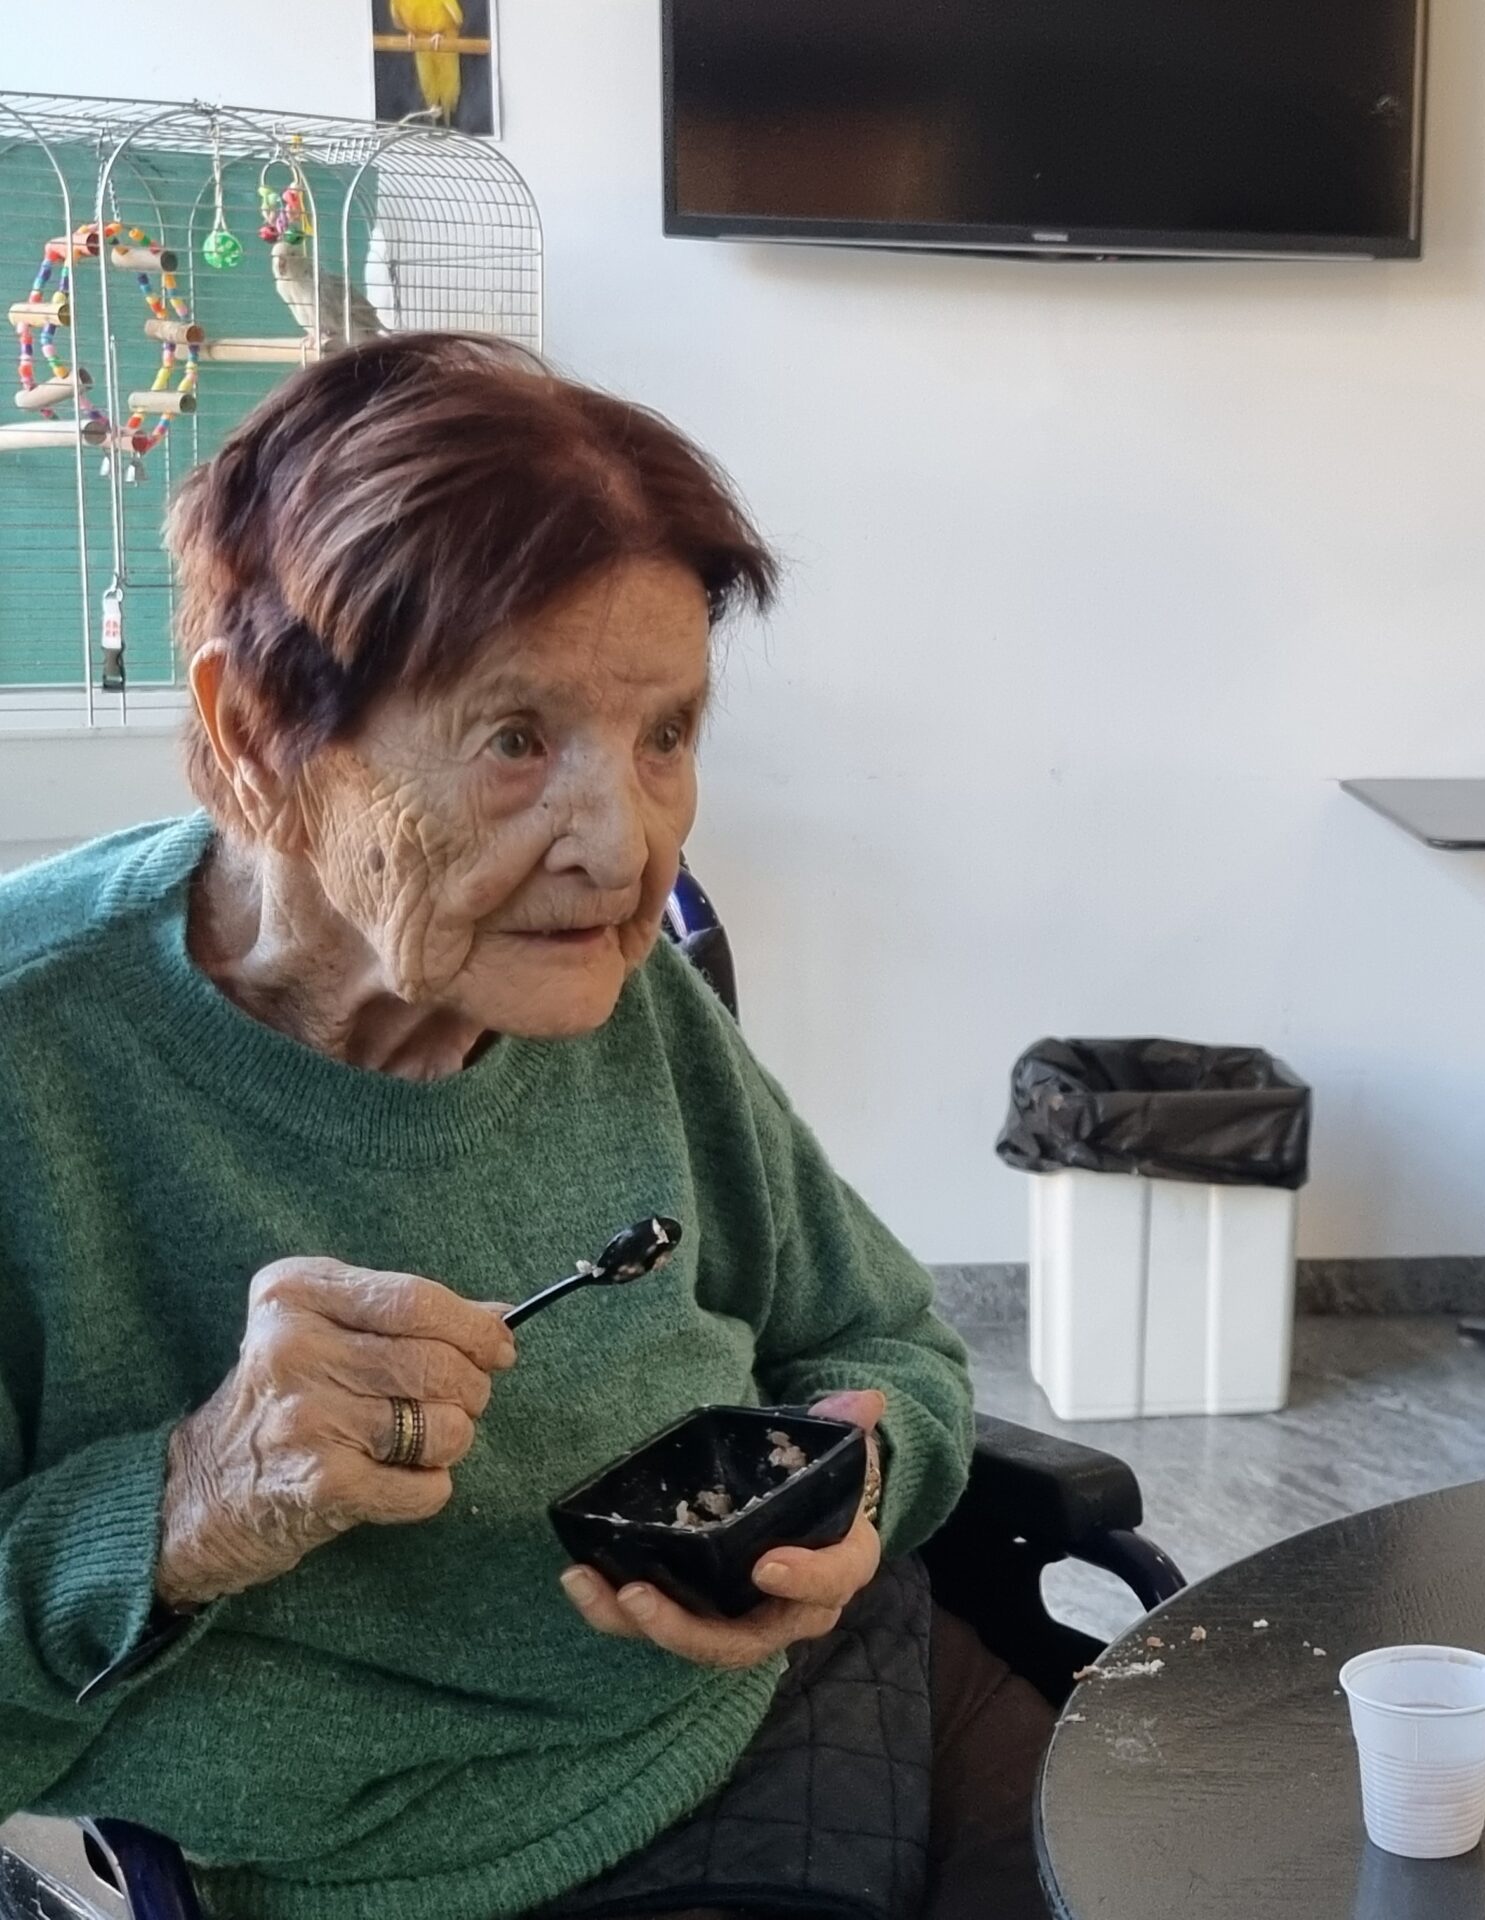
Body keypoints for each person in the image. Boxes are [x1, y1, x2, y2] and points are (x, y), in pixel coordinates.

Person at [0, 335, 1052, 1920]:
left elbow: (885, 1343)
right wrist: (186, 1503)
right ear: (255, 734)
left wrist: (858, 1487)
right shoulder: (38, 1057)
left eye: (666, 736)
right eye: (514, 742)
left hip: (835, 1693)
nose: (626, 851)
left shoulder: (613, 985)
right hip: (453, 1867)